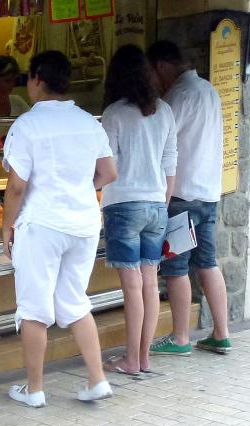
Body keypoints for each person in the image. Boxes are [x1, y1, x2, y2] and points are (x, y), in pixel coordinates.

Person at [1, 50, 118, 407]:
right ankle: (97, 379)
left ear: (37, 78)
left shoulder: (27, 125)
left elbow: (17, 186)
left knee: (35, 306)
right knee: (74, 301)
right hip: (83, 224)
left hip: (43, 226)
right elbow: (109, 173)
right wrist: (81, 187)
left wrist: (7, 225)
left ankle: (34, 389)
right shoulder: (88, 121)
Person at [147, 40, 231, 355]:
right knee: (207, 263)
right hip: (208, 194)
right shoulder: (208, 90)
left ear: (160, 66)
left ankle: (180, 337)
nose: (155, 82)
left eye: (153, 74)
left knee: (176, 267)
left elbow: (159, 135)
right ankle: (221, 333)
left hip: (182, 196)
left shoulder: (179, 96)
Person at [99, 44, 178, 376]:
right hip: (156, 205)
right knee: (149, 284)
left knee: (132, 286)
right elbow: (170, 167)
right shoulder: (165, 111)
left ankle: (131, 359)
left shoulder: (114, 114)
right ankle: (142, 357)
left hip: (123, 206)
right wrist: (162, 202)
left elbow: (107, 170)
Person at [0, 55, 31, 120]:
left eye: (14, 80)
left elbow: (33, 122)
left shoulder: (18, 102)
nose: (12, 85)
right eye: (7, 81)